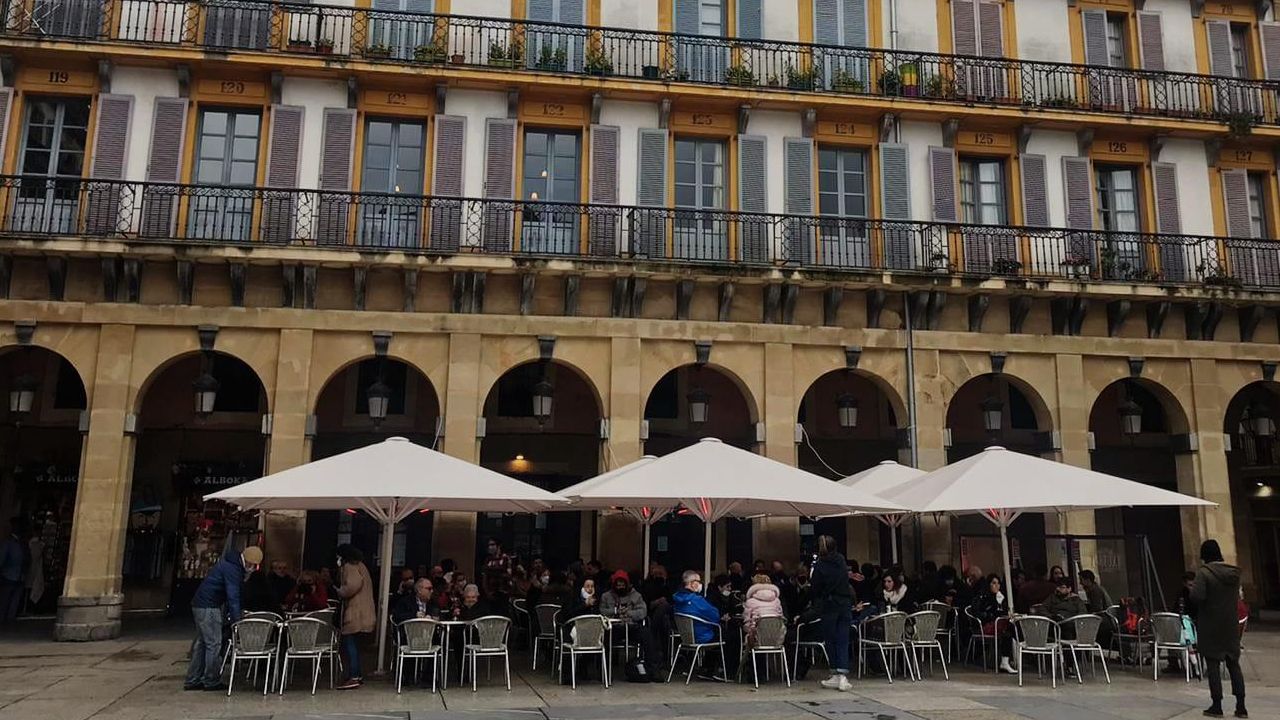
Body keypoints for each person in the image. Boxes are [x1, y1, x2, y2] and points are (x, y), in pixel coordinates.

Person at [184, 544, 262, 691]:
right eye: (253, 566)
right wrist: (237, 619)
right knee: (214, 643)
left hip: (200, 604)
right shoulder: (233, 570)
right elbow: (233, 595)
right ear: (249, 562)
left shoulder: (229, 564)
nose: (253, 569)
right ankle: (211, 680)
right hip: (209, 606)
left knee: (202, 643)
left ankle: (193, 679)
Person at [1191, 540, 1247, 719]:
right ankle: (1241, 706)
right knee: (1234, 664)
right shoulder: (1233, 574)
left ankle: (1217, 704)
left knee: (1213, 665)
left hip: (1211, 625)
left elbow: (1197, 596)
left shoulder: (1204, 574)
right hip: (1230, 624)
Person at [810, 534, 853, 692]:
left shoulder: (821, 565)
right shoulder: (841, 560)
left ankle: (836, 672)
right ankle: (842, 674)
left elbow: (815, 586)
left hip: (829, 604)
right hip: (845, 603)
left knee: (831, 639)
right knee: (843, 638)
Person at [335, 544, 374, 690]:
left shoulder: (350, 567)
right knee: (355, 645)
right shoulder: (361, 565)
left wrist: (341, 591)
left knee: (350, 643)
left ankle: (354, 676)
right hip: (364, 610)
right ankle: (356, 673)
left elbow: (352, 585)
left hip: (355, 612)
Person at [671, 570, 722, 678]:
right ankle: (716, 670)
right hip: (702, 636)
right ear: (692, 583)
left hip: (686, 637)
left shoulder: (677, 599)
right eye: (698, 581)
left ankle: (705, 668)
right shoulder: (696, 600)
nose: (700, 584)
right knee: (730, 636)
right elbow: (715, 616)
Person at [970, 573, 1015, 674]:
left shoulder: (1000, 597)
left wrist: (1001, 604)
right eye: (994, 583)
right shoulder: (982, 597)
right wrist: (994, 609)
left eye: (998, 583)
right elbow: (978, 613)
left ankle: (1008, 659)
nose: (997, 586)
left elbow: (1002, 613)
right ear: (989, 584)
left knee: (1011, 627)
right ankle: (1006, 660)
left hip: (998, 625)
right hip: (984, 626)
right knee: (1008, 629)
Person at [0, 517, 28, 623]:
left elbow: (2, 558)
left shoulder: (8, 543)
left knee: (5, 600)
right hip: (19, 575)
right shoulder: (23, 544)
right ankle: (9, 620)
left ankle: (4, 619)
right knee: (13, 600)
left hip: (9, 575)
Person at [742, 573, 783, 643]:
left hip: (757, 637)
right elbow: (781, 616)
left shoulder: (750, 602)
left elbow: (747, 621)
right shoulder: (777, 601)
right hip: (776, 636)